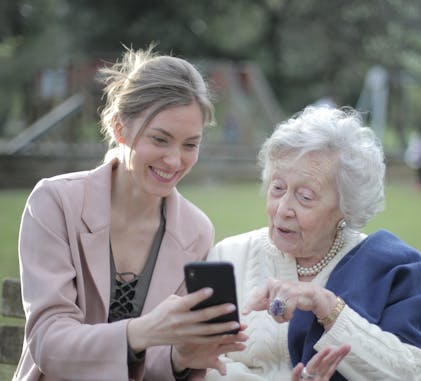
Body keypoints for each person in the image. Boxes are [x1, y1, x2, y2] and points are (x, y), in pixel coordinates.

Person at [13, 46, 247, 381]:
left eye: (190, 145)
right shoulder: (55, 202)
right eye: (160, 139)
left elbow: (155, 365)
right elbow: (49, 343)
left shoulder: (196, 230)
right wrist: (138, 332)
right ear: (119, 127)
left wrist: (181, 358)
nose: (174, 160)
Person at [206, 106, 421, 381]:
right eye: (278, 187)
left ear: (346, 207)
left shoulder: (391, 267)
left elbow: (411, 372)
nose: (283, 209)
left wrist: (327, 307)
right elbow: (200, 362)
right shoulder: (229, 256)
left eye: (305, 196)